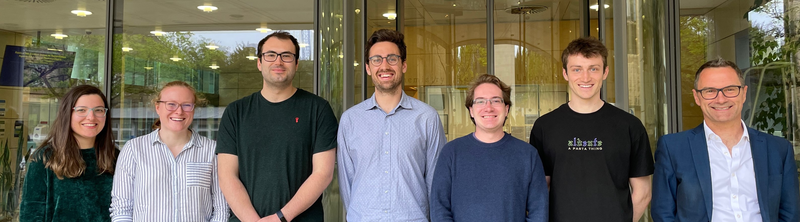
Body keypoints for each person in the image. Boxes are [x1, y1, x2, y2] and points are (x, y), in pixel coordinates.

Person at [651, 58, 800, 222]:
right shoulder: (673, 148)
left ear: (743, 93)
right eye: (709, 91)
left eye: (730, 89)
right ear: (697, 97)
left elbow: (790, 214)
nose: (720, 99)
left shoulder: (778, 149)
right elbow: (663, 213)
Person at [528, 36, 654, 222]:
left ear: (605, 72)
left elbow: (643, 192)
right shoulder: (545, 126)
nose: (585, 77)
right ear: (565, 74)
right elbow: (540, 190)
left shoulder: (629, 126)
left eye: (593, 69)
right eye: (577, 69)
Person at [216, 31, 338, 222]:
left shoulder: (318, 109)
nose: (278, 62)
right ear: (259, 62)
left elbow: (323, 174)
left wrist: (280, 218)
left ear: (296, 64)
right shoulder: (236, 112)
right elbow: (227, 175)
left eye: (286, 56)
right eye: (270, 55)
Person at [337, 29, 446, 221]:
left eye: (392, 59)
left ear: (403, 65)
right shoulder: (350, 120)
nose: (384, 66)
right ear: (368, 68)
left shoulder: (427, 117)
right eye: (376, 59)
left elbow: (436, 182)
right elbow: (347, 183)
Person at [430, 74, 547, 222]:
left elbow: (539, 210)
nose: (488, 107)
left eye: (496, 101)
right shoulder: (451, 153)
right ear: (471, 110)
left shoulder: (528, 154)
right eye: (480, 101)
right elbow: (439, 208)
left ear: (506, 109)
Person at [110, 81, 228, 221]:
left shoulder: (212, 151)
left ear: (194, 109)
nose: (179, 111)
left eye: (186, 105)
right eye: (171, 104)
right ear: (158, 107)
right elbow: (122, 208)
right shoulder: (134, 149)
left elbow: (221, 209)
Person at [19, 85, 118, 221]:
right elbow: (31, 214)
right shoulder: (45, 158)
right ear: (67, 114)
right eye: (81, 110)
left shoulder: (116, 157)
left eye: (99, 110)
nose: (91, 117)